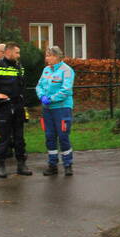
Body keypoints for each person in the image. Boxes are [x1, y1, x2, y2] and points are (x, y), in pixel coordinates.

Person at [0, 42, 32, 179]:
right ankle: (1, 165)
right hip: (5, 106)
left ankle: (21, 164)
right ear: (8, 52)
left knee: (19, 137)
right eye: (17, 52)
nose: (19, 55)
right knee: (4, 137)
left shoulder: (19, 67)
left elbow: (22, 85)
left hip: (18, 105)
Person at [37, 46, 76, 176]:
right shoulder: (46, 70)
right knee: (50, 137)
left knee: (63, 136)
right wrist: (42, 96)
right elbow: (39, 86)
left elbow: (66, 90)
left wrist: (51, 99)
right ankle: (52, 164)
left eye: (49, 55)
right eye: (46, 55)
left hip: (62, 109)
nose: (47, 58)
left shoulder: (67, 70)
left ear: (57, 57)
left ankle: (68, 164)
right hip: (47, 110)